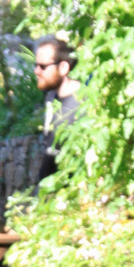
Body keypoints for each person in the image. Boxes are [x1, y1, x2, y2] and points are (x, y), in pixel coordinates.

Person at [33, 35, 79, 183]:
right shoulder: (51, 97)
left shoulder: (82, 106)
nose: (36, 71)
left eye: (43, 66)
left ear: (63, 67)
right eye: (36, 65)